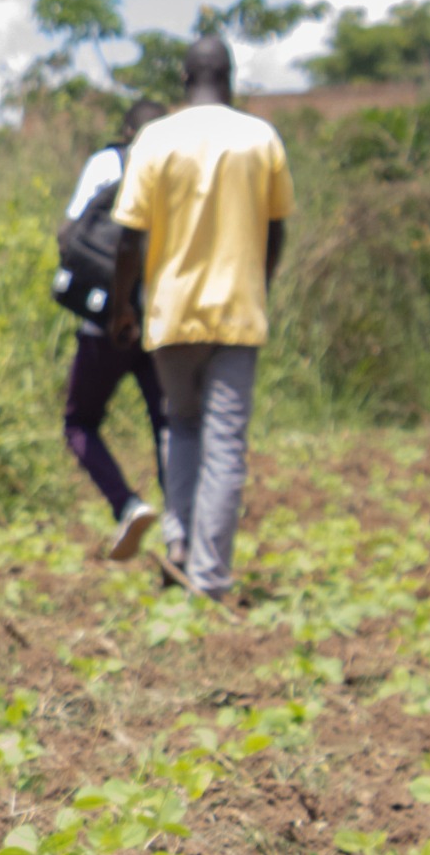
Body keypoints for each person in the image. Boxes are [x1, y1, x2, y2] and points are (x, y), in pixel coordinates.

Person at [109, 35, 292, 600]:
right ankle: (210, 577)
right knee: (225, 444)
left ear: (185, 81)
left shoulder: (156, 139)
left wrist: (122, 304)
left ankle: (181, 545)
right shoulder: (260, 138)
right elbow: (276, 227)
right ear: (230, 78)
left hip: (171, 312)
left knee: (181, 427)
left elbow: (129, 236)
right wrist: (259, 282)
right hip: (237, 314)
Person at [56, 98, 175, 560]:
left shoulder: (108, 163)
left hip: (105, 318)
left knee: (79, 422)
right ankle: (180, 533)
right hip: (161, 321)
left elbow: (70, 234)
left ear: (127, 131)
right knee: (167, 428)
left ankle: (126, 503)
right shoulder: (178, 171)